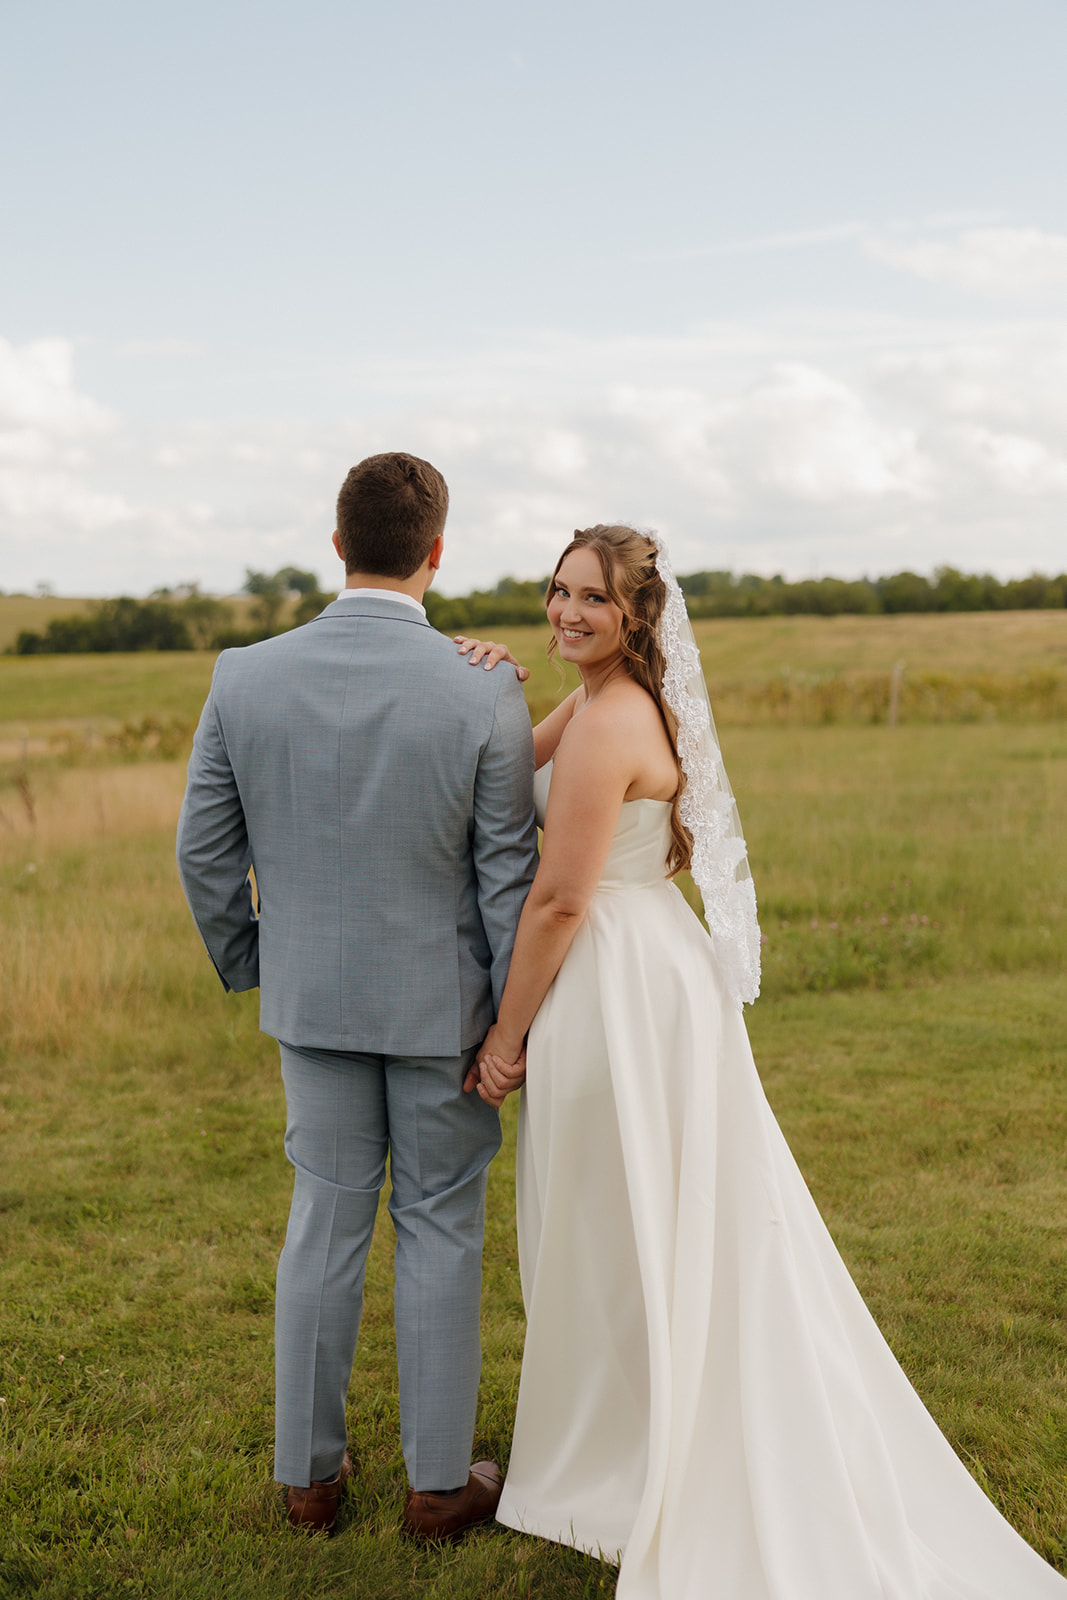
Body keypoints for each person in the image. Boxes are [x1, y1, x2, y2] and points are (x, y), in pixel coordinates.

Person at [457, 524, 1067, 1598]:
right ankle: (626, 1431)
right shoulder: (599, 704)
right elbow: (510, 757)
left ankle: (633, 1452)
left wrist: (503, 1039)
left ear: (636, 615)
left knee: (621, 1212)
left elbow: (556, 898)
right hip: (644, 969)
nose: (565, 612)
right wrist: (480, 676)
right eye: (555, 592)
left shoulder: (613, 722)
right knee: (628, 1212)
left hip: (616, 984)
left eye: (590, 599)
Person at [176, 452, 539, 1541]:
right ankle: (437, 1488)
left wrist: (257, 962)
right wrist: (510, 1023)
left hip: (313, 1004)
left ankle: (308, 1481)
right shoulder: (485, 688)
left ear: (336, 545)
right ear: (436, 552)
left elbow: (203, 855)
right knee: (439, 1228)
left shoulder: (243, 674)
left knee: (321, 1225)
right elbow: (504, 877)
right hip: (448, 1017)